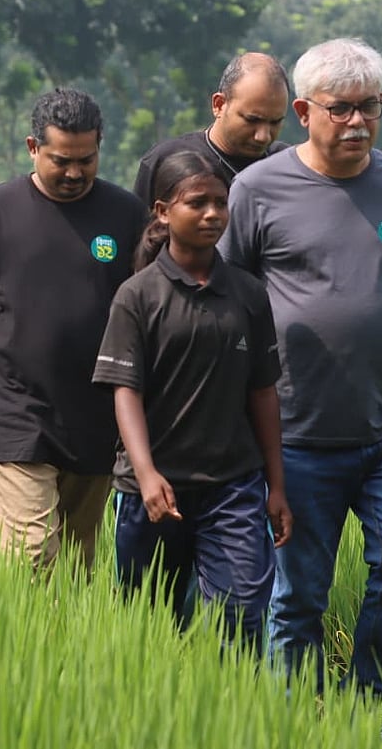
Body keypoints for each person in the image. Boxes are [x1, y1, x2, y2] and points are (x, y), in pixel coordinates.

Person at [220, 38, 382, 695]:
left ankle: (371, 693)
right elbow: (224, 301)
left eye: (371, 107)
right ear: (305, 111)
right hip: (294, 437)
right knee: (299, 596)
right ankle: (296, 714)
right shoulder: (258, 189)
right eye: (342, 109)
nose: (358, 122)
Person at [0, 88, 147, 573]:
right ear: (33, 148)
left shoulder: (125, 213)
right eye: (60, 160)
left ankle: (67, 648)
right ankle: (22, 644)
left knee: (78, 560)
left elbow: (145, 311)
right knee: (32, 555)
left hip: (96, 409)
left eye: (86, 160)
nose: (74, 173)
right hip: (17, 409)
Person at [92, 150, 291, 645]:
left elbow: (263, 392)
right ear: (162, 211)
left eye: (220, 204)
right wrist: (146, 473)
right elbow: (126, 392)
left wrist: (277, 486)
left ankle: (230, 709)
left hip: (233, 487)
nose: (212, 214)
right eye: (196, 203)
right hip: (155, 492)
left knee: (242, 610)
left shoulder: (247, 294)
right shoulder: (138, 296)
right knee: (150, 622)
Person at [133, 52, 289, 205]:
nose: (263, 136)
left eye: (275, 122)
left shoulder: (288, 167)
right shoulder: (166, 160)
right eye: (252, 120)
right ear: (219, 105)